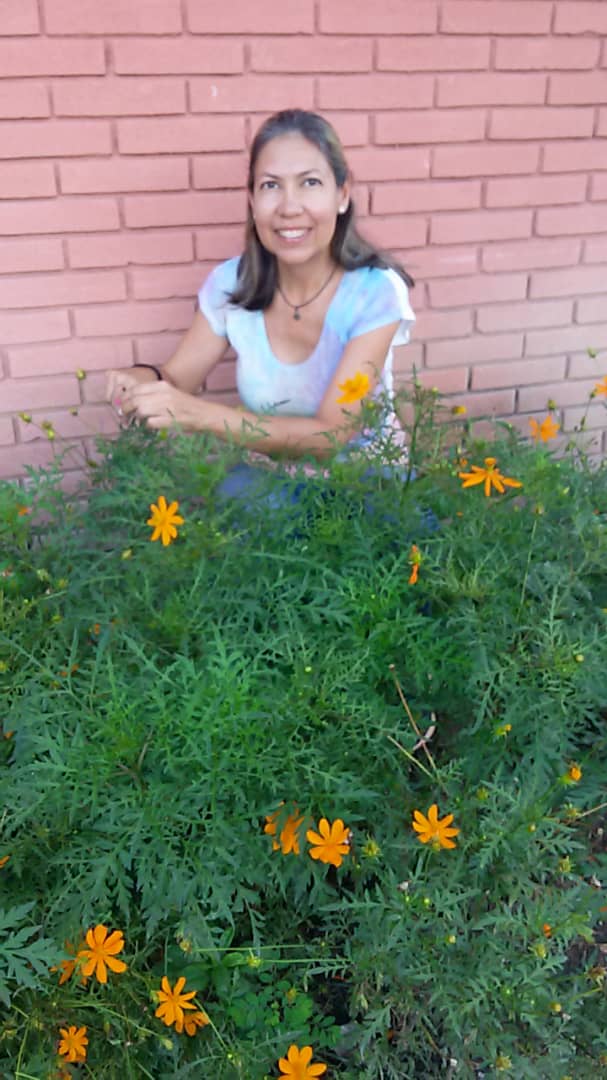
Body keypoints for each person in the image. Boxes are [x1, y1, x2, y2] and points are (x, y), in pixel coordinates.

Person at [106, 109, 415, 471]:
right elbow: (176, 379)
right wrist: (140, 382)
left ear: (342, 195)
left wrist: (200, 416)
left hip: (365, 481)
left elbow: (331, 436)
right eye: (270, 185)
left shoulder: (375, 292)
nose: (289, 207)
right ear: (252, 201)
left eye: (310, 182)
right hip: (269, 476)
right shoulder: (231, 284)